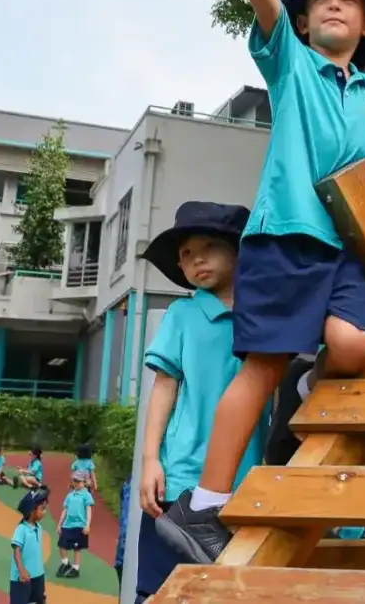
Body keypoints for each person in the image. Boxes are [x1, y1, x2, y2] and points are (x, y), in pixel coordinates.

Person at [156, 0, 365, 565]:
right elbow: (266, 2)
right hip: (287, 238)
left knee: (355, 347)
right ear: (304, 22)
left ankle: (311, 376)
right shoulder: (296, 69)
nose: (331, 6)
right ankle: (201, 505)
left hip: (348, 247)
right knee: (259, 370)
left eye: (347, 2)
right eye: (320, 0)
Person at [135, 202, 267, 599]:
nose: (196, 260)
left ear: (238, 250)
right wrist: (149, 460)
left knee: (236, 590)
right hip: (181, 481)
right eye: (186, 255)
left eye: (208, 246)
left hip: (249, 482)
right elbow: (163, 387)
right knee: (160, 590)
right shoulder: (182, 314)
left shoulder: (267, 317)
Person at [10, 490, 48, 604]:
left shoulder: (39, 527)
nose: (44, 512)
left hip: (38, 574)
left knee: (40, 600)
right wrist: (21, 570)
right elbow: (17, 550)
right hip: (22, 577)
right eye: (42, 509)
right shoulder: (21, 529)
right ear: (32, 512)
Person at [55, 472, 95, 579]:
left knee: (77, 548)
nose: (76, 483)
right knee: (62, 545)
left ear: (84, 482)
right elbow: (64, 510)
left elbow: (88, 510)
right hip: (67, 525)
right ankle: (65, 563)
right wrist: (59, 524)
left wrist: (87, 525)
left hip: (79, 525)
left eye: (79, 481)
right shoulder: (70, 495)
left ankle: (76, 568)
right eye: (74, 481)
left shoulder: (86, 495)